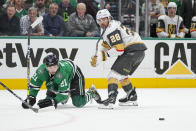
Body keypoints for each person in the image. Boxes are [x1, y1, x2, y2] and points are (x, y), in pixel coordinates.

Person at [90, 9, 147, 109]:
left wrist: (101, 57)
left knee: (112, 75)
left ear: (109, 18)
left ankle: (111, 100)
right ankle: (131, 97)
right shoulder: (113, 26)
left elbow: (119, 49)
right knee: (121, 74)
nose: (102, 22)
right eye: (99, 20)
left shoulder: (111, 29)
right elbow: (106, 46)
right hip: (139, 51)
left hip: (131, 51)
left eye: (104, 19)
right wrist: (98, 56)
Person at [22, 53, 102, 109]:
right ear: (45, 67)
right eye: (49, 67)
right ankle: (66, 94)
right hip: (59, 78)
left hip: (74, 74)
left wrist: (54, 101)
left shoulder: (62, 73)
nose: (52, 69)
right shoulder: (41, 71)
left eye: (54, 66)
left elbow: (63, 94)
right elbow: (34, 85)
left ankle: (92, 92)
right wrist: (32, 96)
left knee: (78, 102)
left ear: (58, 65)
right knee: (48, 97)